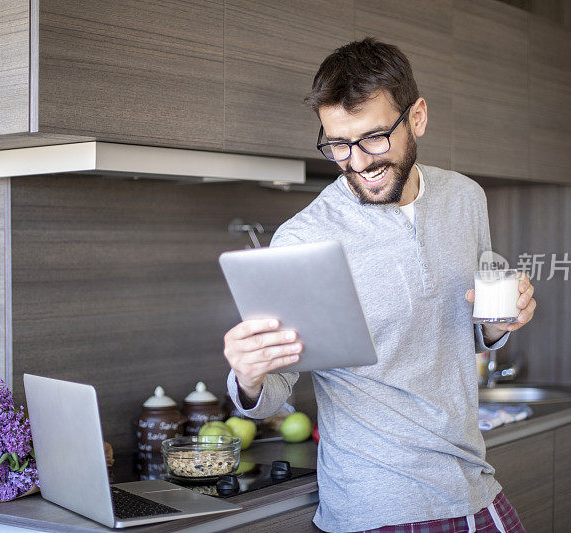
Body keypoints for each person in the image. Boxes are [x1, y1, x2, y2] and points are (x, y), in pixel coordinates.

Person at [223, 38, 536, 533]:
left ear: (417, 118)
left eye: (373, 138)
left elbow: (467, 332)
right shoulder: (304, 238)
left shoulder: (466, 198)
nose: (358, 162)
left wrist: (497, 326)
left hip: (473, 481)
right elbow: (275, 385)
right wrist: (248, 375)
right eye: (338, 145)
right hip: (380, 504)